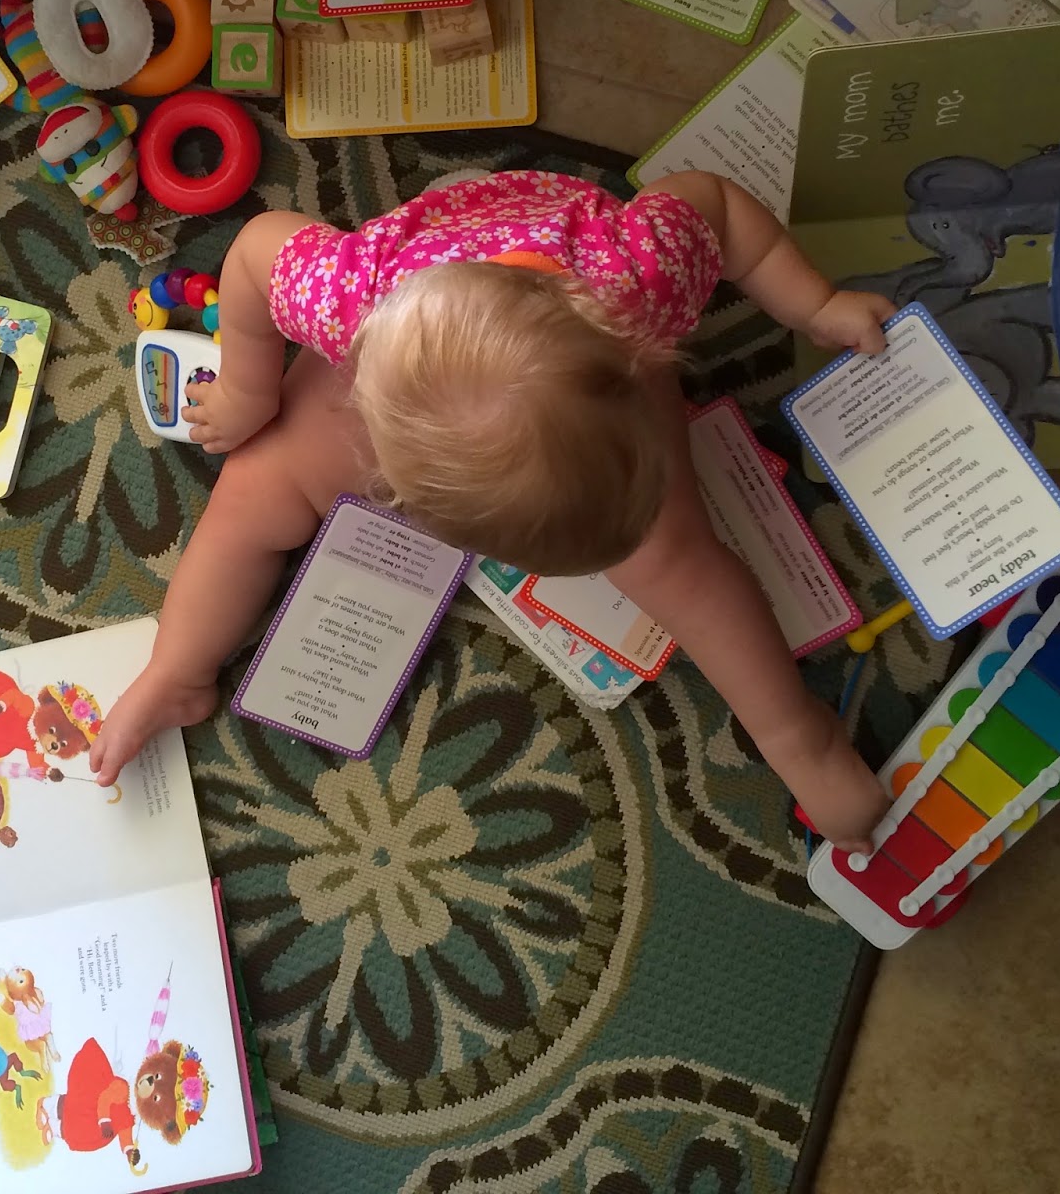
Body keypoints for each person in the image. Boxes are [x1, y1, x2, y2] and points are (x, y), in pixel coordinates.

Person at [90, 169, 893, 852]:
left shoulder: (641, 270)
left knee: (677, 561)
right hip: (409, 322)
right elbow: (254, 250)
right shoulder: (345, 292)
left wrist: (814, 304)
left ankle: (802, 740)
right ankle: (177, 669)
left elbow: (717, 207)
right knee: (256, 489)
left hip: (580, 339)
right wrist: (246, 391)